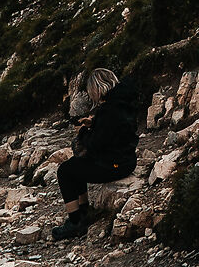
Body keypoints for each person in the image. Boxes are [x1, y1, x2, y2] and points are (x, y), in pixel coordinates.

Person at [51, 65, 140, 241]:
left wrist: (83, 132)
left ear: (98, 89)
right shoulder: (122, 102)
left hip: (114, 165)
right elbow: (112, 133)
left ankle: (75, 221)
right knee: (76, 166)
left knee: (65, 171)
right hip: (126, 160)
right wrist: (94, 124)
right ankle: (84, 210)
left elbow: (96, 145)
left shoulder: (109, 110)